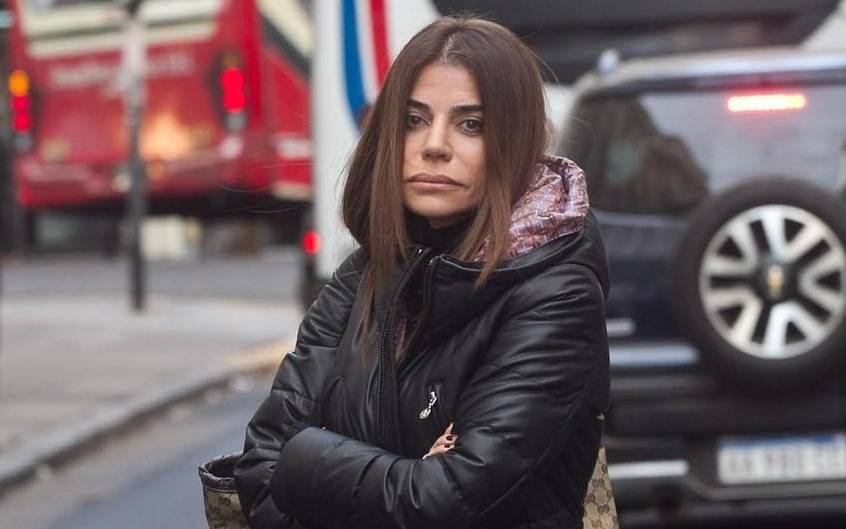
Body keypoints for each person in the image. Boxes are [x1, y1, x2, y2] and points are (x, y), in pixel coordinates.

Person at [234, 15, 610, 529]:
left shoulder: (555, 293)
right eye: (414, 120)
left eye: (470, 125)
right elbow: (259, 470)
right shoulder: (363, 275)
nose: (434, 145)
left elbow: (446, 500)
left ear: (515, 140)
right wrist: (406, 473)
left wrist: (307, 460)